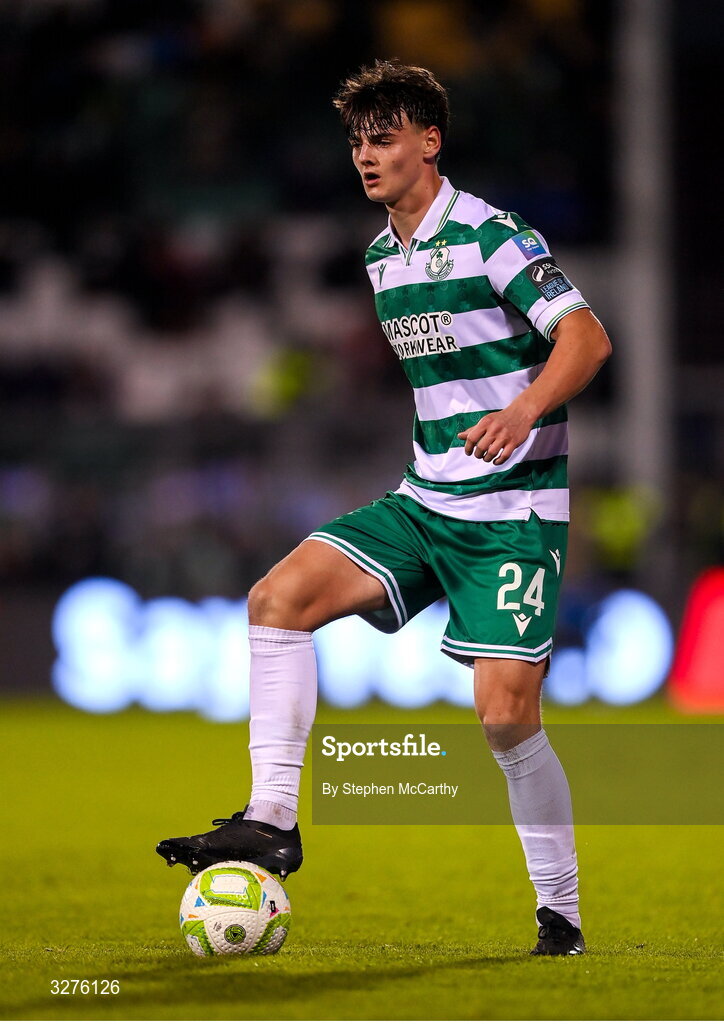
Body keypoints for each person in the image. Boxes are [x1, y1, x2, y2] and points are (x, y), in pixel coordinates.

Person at [157, 60, 611, 956]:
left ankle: (560, 914)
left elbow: (587, 338)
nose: (366, 156)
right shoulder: (378, 259)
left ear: (429, 142)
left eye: (385, 138)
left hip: (514, 510)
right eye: (357, 141)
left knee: (506, 718)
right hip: (424, 500)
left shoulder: (493, 237)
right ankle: (273, 821)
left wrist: (521, 411)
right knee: (275, 600)